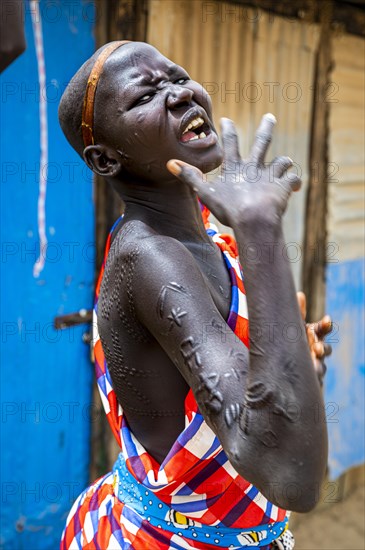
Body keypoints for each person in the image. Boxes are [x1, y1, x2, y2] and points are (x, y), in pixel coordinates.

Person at [58, 41, 332, 550]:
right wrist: (261, 229)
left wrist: (294, 359)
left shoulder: (205, 232)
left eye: (177, 76)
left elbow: (255, 391)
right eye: (147, 96)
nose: (180, 93)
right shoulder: (150, 257)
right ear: (105, 158)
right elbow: (292, 476)